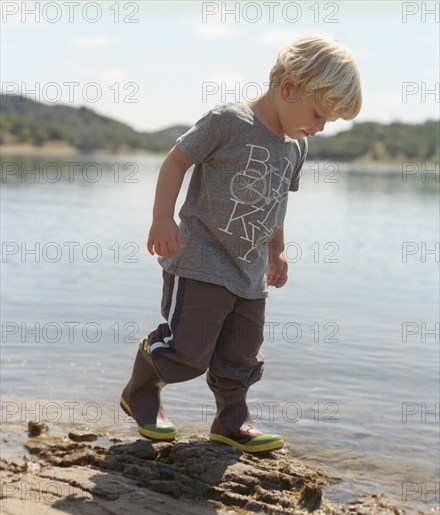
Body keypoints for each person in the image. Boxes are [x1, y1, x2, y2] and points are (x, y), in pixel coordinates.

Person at [120, 35, 362, 452]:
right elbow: (177, 160)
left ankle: (231, 420)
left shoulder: (296, 145)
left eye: (329, 123)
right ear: (288, 88)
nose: (320, 128)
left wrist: (277, 248)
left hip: (249, 273)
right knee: (188, 349)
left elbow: (277, 200)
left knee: (241, 355)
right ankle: (140, 391)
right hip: (201, 259)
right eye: (318, 114)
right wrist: (162, 217)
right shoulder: (229, 120)